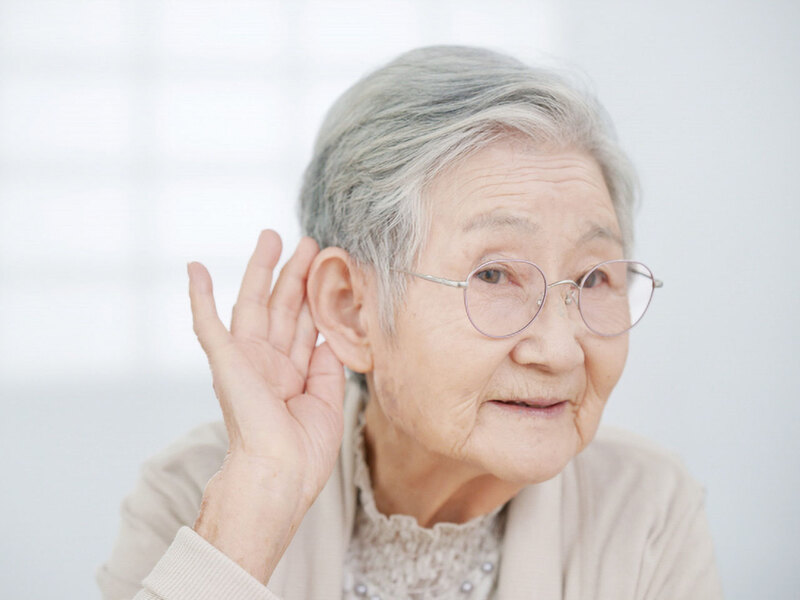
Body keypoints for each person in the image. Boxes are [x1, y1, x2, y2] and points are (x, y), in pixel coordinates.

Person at [98, 46, 722, 599]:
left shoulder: (646, 509)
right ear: (352, 309)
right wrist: (255, 505)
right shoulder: (195, 497)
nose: (560, 350)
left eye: (593, 278)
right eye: (494, 275)